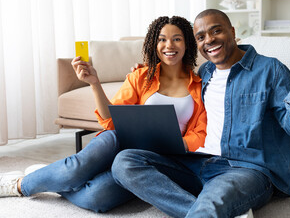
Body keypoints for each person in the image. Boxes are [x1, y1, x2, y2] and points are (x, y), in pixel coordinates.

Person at [111, 9, 290, 218]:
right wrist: (146, 71)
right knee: (125, 161)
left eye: (216, 31)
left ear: (232, 32)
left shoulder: (270, 69)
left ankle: (210, 209)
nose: (208, 40)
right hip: (198, 160)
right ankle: (216, 211)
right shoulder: (205, 71)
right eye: (200, 37)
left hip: (245, 168)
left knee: (211, 204)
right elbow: (173, 76)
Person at [0, 16, 207, 213]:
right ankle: (19, 185)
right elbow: (111, 120)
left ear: (187, 43)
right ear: (154, 44)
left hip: (153, 158)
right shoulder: (141, 76)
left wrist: (178, 144)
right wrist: (94, 83)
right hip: (119, 139)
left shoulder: (199, 85)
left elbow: (200, 133)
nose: (169, 45)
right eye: (162, 39)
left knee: (97, 199)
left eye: (176, 39)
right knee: (75, 169)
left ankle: (51, 177)